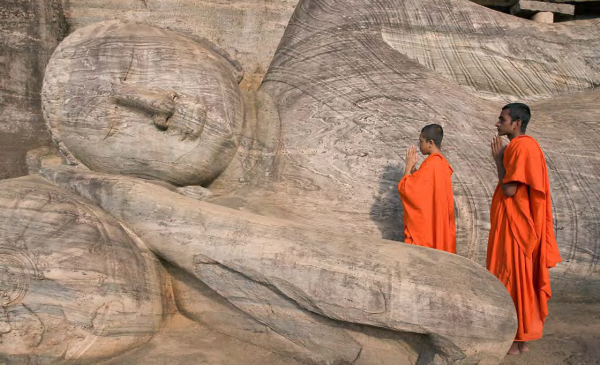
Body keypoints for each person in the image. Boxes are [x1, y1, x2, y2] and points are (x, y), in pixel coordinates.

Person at [488, 103, 562, 355]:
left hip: (516, 229)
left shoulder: (522, 147)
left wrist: (498, 160)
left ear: (516, 122)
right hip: (515, 225)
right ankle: (522, 340)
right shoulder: (521, 147)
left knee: (512, 278)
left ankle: (515, 339)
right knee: (519, 280)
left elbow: (510, 190)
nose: (498, 123)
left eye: (502, 119)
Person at [398, 124, 456, 253]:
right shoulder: (441, 164)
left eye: (421, 141)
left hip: (426, 231)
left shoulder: (431, 164)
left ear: (430, 143)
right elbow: (426, 191)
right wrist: (414, 171)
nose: (419, 145)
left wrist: (408, 167)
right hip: (438, 223)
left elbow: (407, 190)